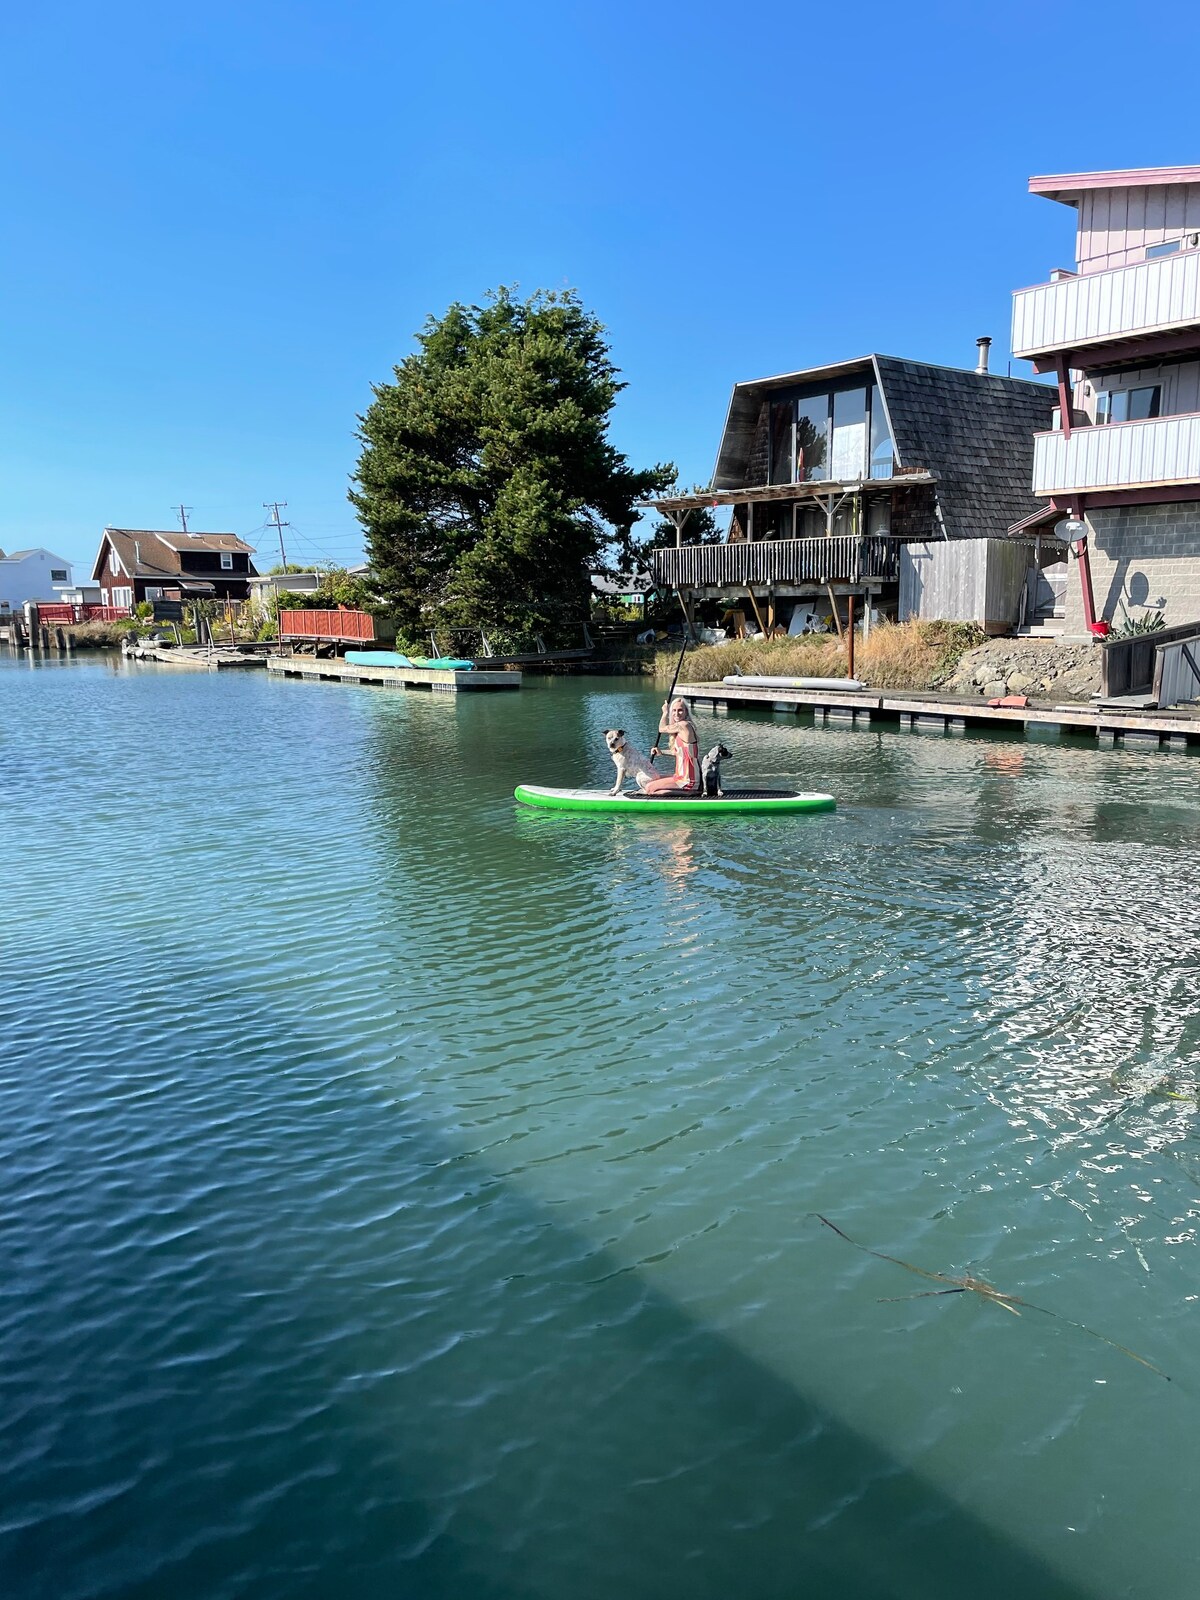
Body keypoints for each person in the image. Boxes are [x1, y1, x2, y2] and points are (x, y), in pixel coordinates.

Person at [644, 697, 700, 794]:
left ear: (686, 712)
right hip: (680, 776)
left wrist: (665, 713)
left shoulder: (684, 725)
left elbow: (661, 728)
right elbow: (678, 752)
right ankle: (678, 792)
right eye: (674, 710)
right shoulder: (681, 728)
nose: (676, 713)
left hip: (688, 780)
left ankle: (688, 793)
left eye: (680, 710)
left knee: (649, 788)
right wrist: (662, 752)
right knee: (649, 780)